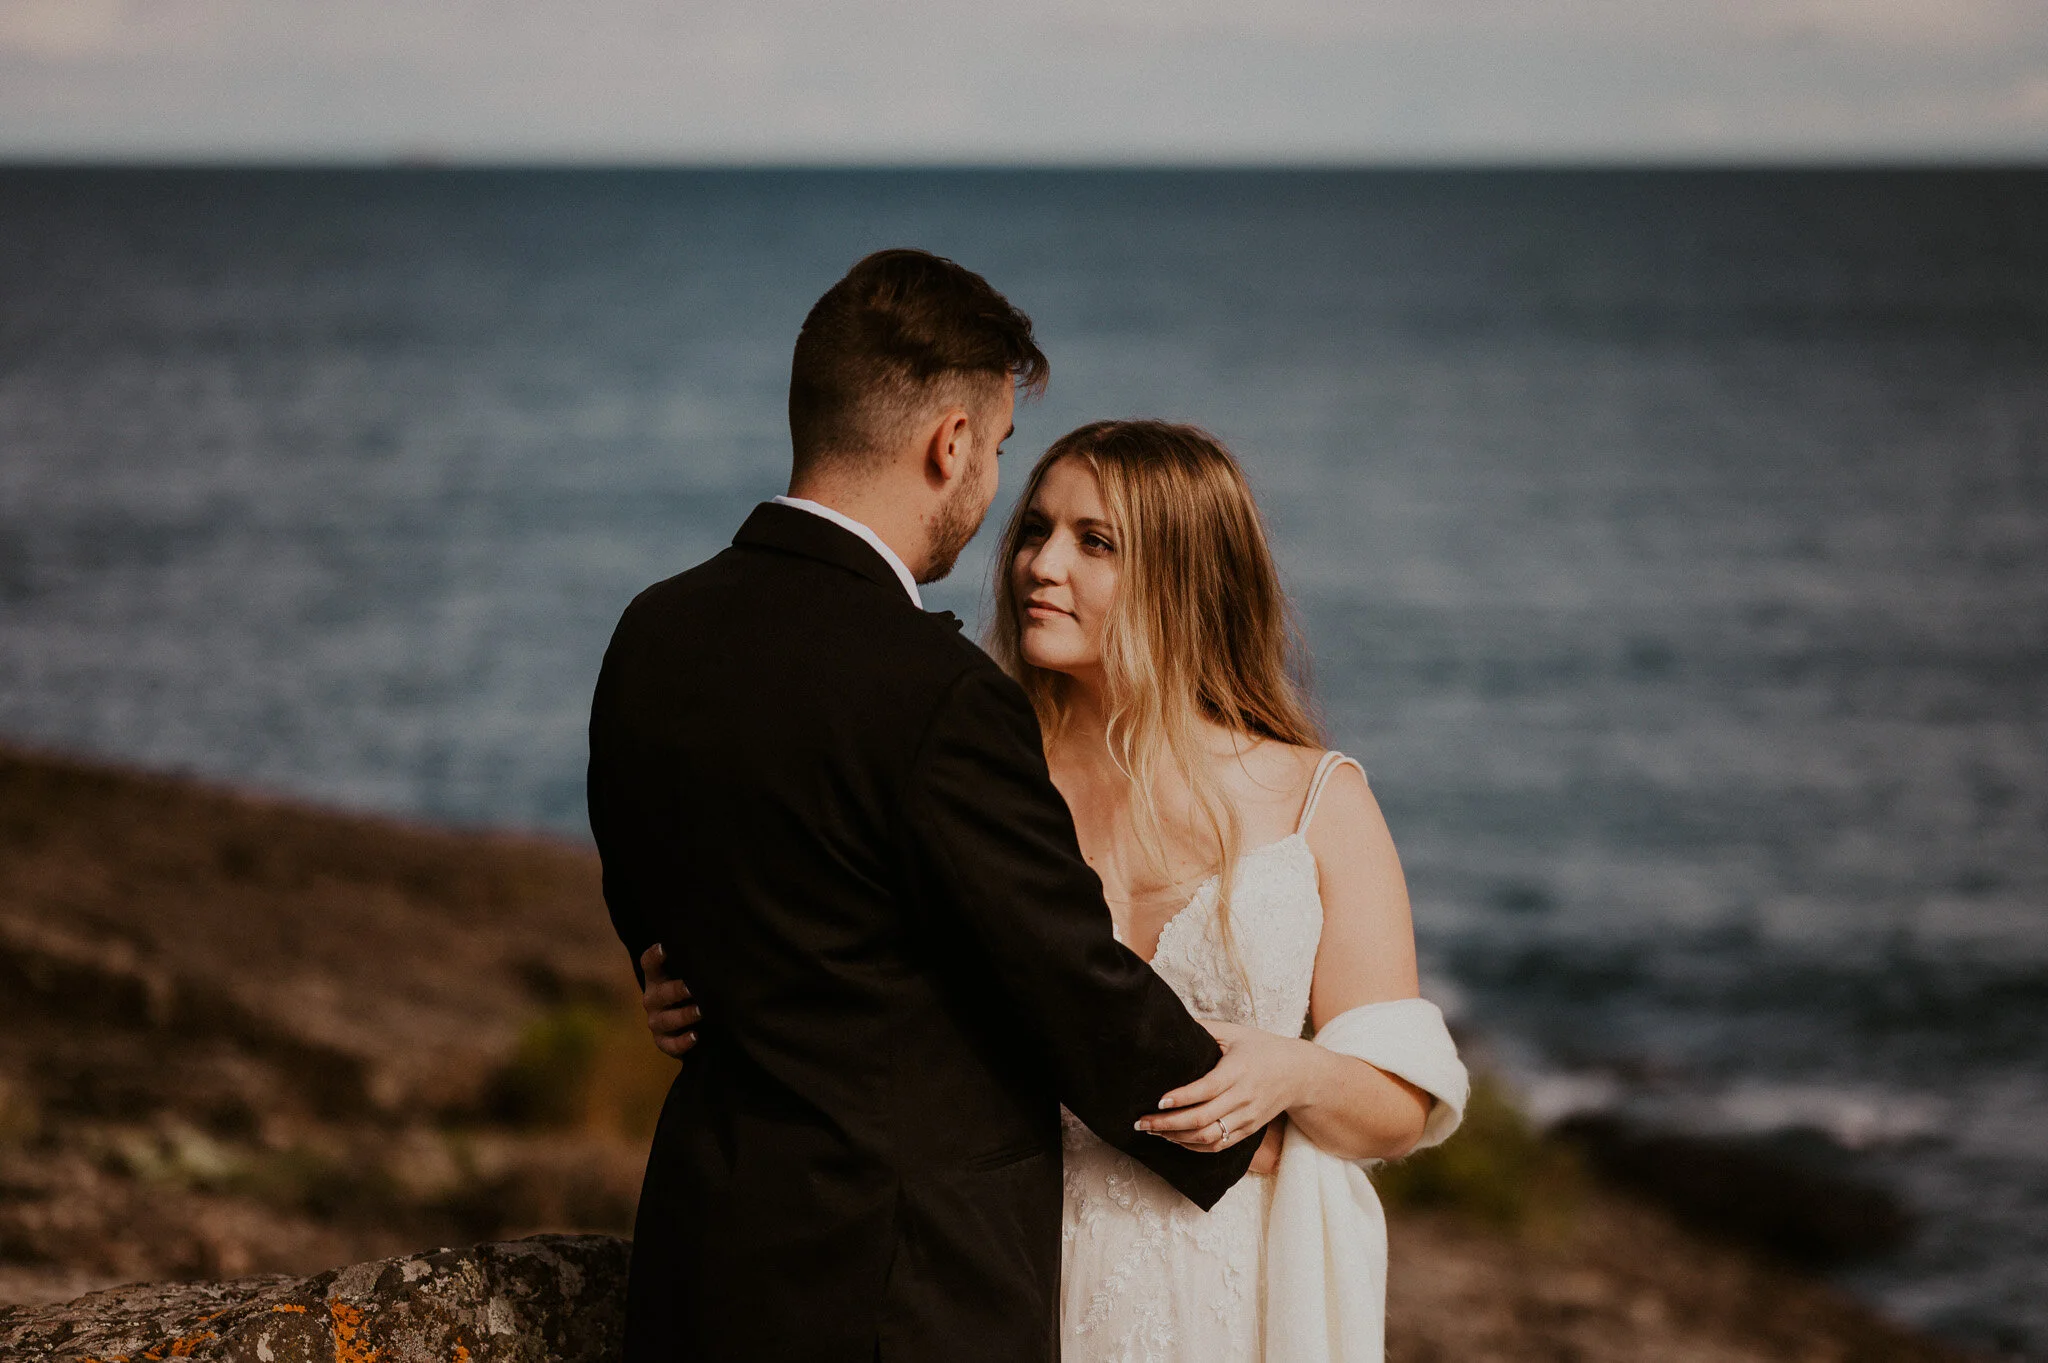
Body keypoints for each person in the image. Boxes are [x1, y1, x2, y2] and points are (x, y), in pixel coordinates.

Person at [645, 418, 1470, 1361]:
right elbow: (830, 941)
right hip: (999, 1270)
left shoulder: (1318, 797)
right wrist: (686, 974)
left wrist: (1295, 1071)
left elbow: (1402, 1104)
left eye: (1095, 542)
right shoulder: (968, 770)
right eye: (1036, 529)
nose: (1041, 563)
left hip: (1231, 1293)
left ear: (1186, 574)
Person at [587, 252, 1262, 1363]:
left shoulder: (651, 633)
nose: (991, 490)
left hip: (701, 1260)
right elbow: (1065, 977)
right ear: (948, 442)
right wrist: (1259, 1122)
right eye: (997, 452)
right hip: (900, 1296)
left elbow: (649, 896)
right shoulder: (937, 693)